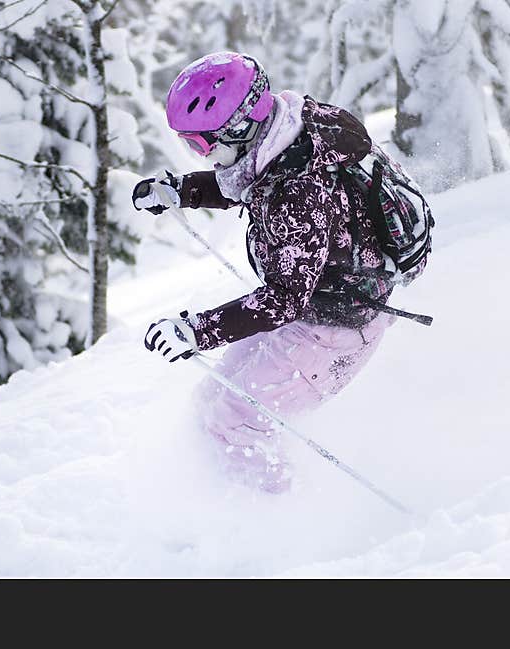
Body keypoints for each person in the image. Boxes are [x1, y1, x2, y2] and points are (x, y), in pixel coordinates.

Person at [133, 52, 423, 494]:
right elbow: (252, 181)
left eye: (201, 143)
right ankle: (220, 504)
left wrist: (196, 331)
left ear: (238, 127)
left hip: (334, 331)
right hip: (315, 310)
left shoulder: (297, 190)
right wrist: (183, 190)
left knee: (236, 420)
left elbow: (283, 299)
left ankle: (277, 524)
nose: (201, 154)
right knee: (213, 400)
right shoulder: (290, 131)